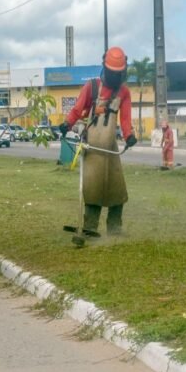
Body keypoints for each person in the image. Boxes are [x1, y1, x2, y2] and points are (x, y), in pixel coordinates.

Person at [59, 46, 137, 237]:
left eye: (118, 73)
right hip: (92, 146)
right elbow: (77, 109)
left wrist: (129, 136)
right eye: (113, 73)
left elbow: (125, 119)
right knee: (92, 188)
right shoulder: (92, 87)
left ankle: (115, 228)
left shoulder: (124, 92)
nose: (115, 77)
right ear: (105, 68)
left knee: (117, 188)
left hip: (110, 148)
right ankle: (90, 228)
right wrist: (67, 123)